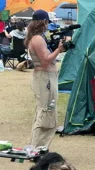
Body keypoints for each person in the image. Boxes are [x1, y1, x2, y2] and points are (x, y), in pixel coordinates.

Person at [25, 10, 65, 148]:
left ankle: (39, 146)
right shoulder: (38, 39)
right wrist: (59, 50)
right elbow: (45, 61)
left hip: (45, 77)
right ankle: (38, 147)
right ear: (44, 22)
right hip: (45, 78)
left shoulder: (36, 37)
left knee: (45, 110)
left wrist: (57, 49)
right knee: (46, 112)